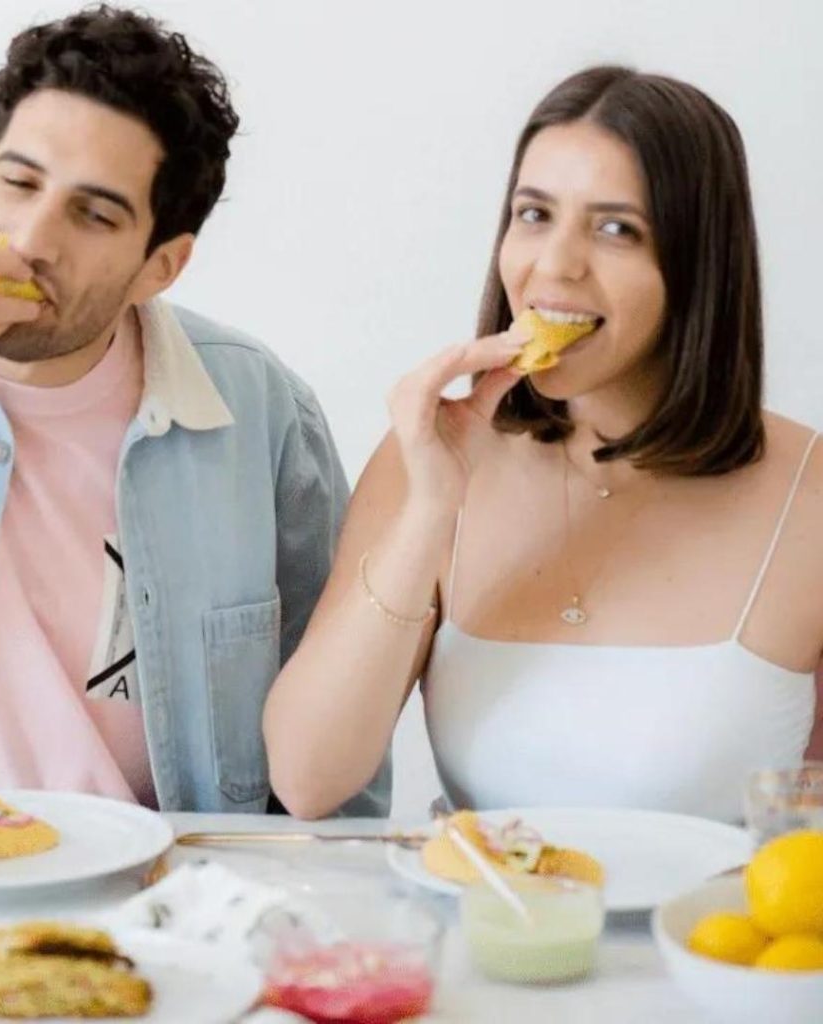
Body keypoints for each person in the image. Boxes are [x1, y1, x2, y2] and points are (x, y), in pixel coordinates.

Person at [0, 5, 388, 816]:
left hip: (146, 909)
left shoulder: (260, 414)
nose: (32, 237)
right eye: (18, 181)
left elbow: (332, 745)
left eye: (95, 213)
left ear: (162, 266)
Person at [264, 65, 822, 823]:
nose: (553, 265)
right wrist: (432, 508)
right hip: (481, 936)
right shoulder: (425, 460)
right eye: (533, 215)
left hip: (714, 940)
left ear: (698, 264)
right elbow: (308, 779)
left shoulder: (809, 493)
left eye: (616, 228)